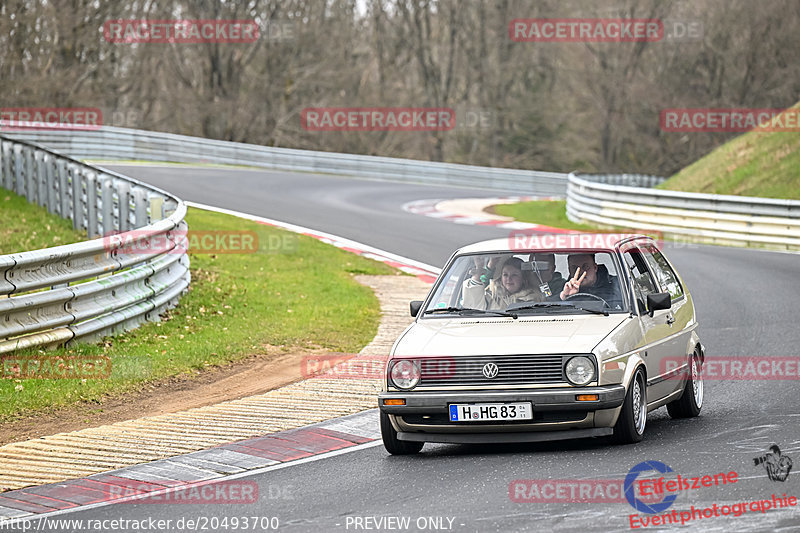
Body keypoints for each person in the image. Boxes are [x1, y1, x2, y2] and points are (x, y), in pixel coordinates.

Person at [463, 256, 544, 310]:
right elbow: (473, 304)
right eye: (505, 275)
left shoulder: (535, 300)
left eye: (514, 275)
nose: (509, 278)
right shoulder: (491, 295)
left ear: (523, 279)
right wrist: (479, 268)